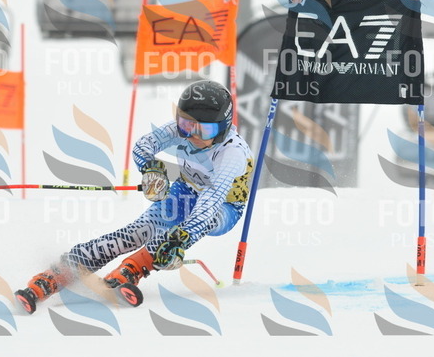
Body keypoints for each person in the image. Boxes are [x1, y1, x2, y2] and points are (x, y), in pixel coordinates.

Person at [15, 80, 254, 313]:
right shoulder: (183, 130)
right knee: (137, 231)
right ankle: (59, 273)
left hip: (225, 206)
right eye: (185, 124)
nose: (192, 134)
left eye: (205, 129)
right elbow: (144, 145)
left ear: (223, 127)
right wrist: (151, 168)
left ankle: (133, 268)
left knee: (186, 230)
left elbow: (212, 198)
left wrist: (182, 239)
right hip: (186, 191)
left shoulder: (232, 153)